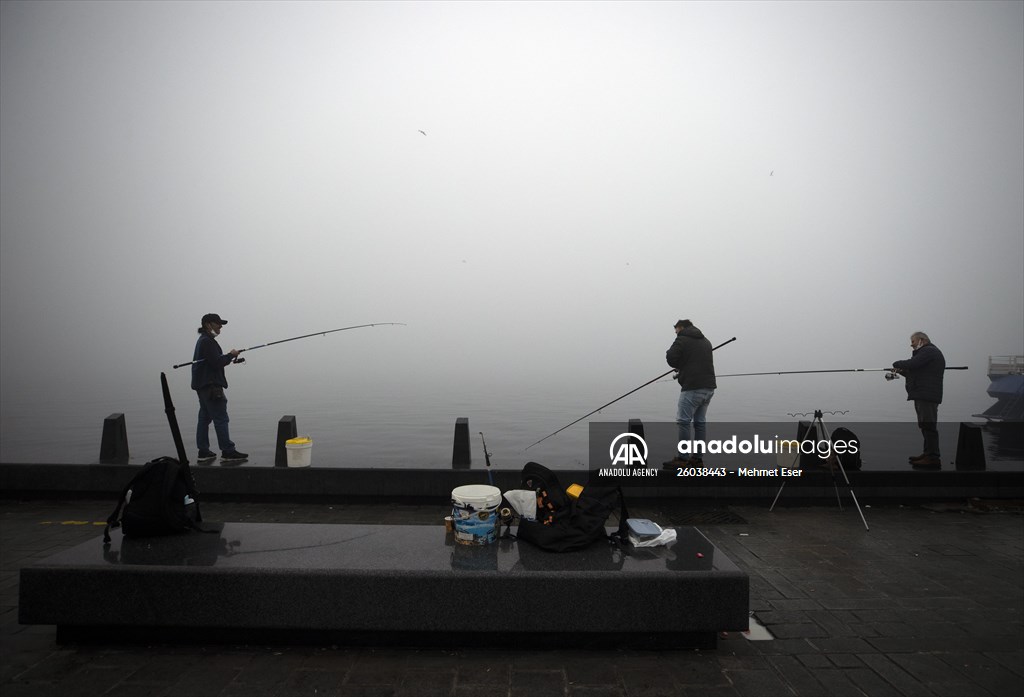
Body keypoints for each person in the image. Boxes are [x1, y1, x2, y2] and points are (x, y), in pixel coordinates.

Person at [191, 313, 247, 464]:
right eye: (218, 323)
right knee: (221, 418)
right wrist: (231, 355)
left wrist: (228, 357)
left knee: (204, 418)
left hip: (202, 386)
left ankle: (203, 452)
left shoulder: (203, 341)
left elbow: (213, 361)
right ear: (208, 324)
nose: (221, 326)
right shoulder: (207, 342)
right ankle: (227, 451)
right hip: (211, 387)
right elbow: (216, 362)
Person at [665, 319, 717, 466]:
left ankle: (683, 458)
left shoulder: (682, 339)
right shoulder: (706, 341)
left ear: (681, 327)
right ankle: (697, 458)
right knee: (700, 423)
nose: (676, 334)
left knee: (683, 422)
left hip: (692, 388)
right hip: (708, 388)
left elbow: (671, 358)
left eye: (676, 331)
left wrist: (675, 360)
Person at [892, 331, 945, 469]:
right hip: (922, 394)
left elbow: (912, 364)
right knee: (924, 425)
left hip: (927, 395)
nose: (911, 344)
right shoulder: (926, 354)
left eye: (913, 341)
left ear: (922, 340)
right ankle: (927, 453)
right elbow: (915, 372)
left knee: (929, 426)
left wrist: (897, 363)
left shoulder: (929, 351)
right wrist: (901, 371)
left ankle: (933, 457)